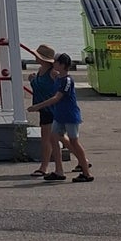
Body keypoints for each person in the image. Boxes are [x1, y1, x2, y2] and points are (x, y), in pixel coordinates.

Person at [28, 52, 93, 182]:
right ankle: (59, 170)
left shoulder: (67, 80)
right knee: (54, 138)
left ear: (62, 65)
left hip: (69, 114)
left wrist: (38, 106)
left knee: (74, 141)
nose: (54, 64)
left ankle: (86, 171)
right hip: (59, 114)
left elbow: (57, 97)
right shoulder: (58, 78)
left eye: (56, 62)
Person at [27, 44, 60, 178]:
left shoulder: (53, 73)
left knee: (50, 139)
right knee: (58, 138)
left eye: (37, 55)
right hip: (44, 109)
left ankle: (44, 167)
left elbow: (61, 88)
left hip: (51, 108)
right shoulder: (40, 70)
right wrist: (32, 79)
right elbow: (39, 87)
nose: (35, 57)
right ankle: (83, 161)